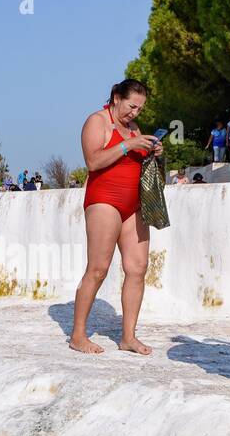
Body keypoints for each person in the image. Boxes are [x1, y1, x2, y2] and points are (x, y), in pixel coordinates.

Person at [70, 78, 163, 355]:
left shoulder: (133, 128)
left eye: (140, 109)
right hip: (104, 200)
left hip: (134, 204)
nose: (134, 113)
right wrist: (129, 145)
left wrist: (154, 151)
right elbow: (93, 161)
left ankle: (128, 336)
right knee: (98, 268)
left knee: (137, 267)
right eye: (132, 106)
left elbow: (137, 156)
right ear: (116, 97)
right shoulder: (97, 121)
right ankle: (77, 335)